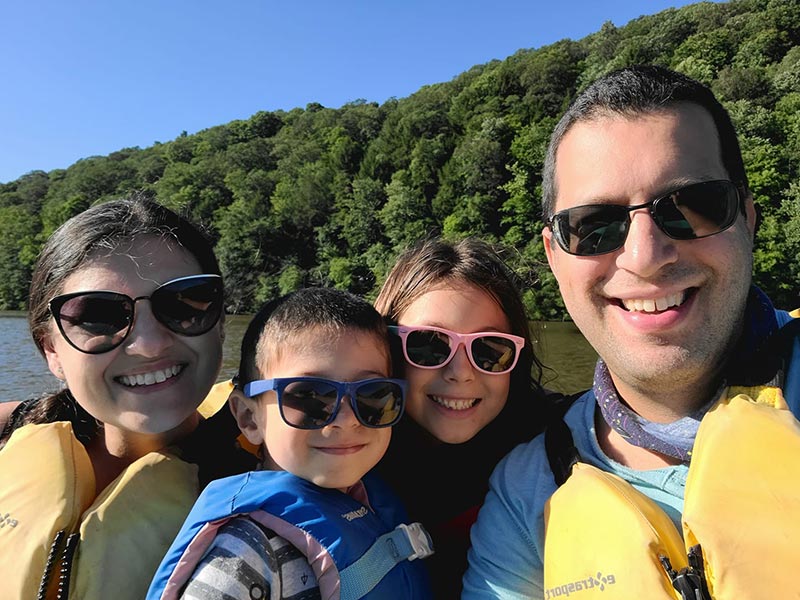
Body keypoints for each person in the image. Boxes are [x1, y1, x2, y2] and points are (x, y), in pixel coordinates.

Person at [463, 65, 800, 599]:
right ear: (554, 255)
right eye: (595, 224)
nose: (645, 257)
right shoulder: (527, 494)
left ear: (748, 219)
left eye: (693, 207)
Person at [0, 194, 256, 600]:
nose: (150, 344)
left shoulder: (284, 466)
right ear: (51, 350)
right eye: (98, 314)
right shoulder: (12, 433)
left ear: (221, 323)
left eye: (185, 303)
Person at [147, 287, 434, 600]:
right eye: (310, 397)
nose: (347, 419)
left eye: (373, 395)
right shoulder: (245, 553)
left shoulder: (371, 501)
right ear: (249, 419)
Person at [373, 237, 552, 599]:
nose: (460, 372)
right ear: (384, 347)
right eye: (429, 344)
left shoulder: (556, 445)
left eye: (489, 349)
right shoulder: (334, 444)